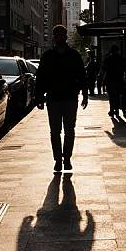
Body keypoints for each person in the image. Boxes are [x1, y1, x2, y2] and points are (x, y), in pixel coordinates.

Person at [35, 25, 88, 172]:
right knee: (55, 131)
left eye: (61, 35)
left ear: (65, 37)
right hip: (53, 98)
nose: (59, 38)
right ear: (54, 37)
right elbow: (41, 78)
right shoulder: (48, 56)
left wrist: (85, 94)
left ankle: (67, 158)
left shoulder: (74, 55)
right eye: (57, 35)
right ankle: (58, 159)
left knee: (69, 130)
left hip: (70, 98)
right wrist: (39, 97)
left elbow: (82, 76)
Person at [101, 45, 126, 117]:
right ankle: (119, 109)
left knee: (111, 96)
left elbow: (103, 69)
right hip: (119, 79)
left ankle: (112, 109)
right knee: (118, 95)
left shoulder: (108, 59)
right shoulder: (121, 59)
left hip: (110, 80)